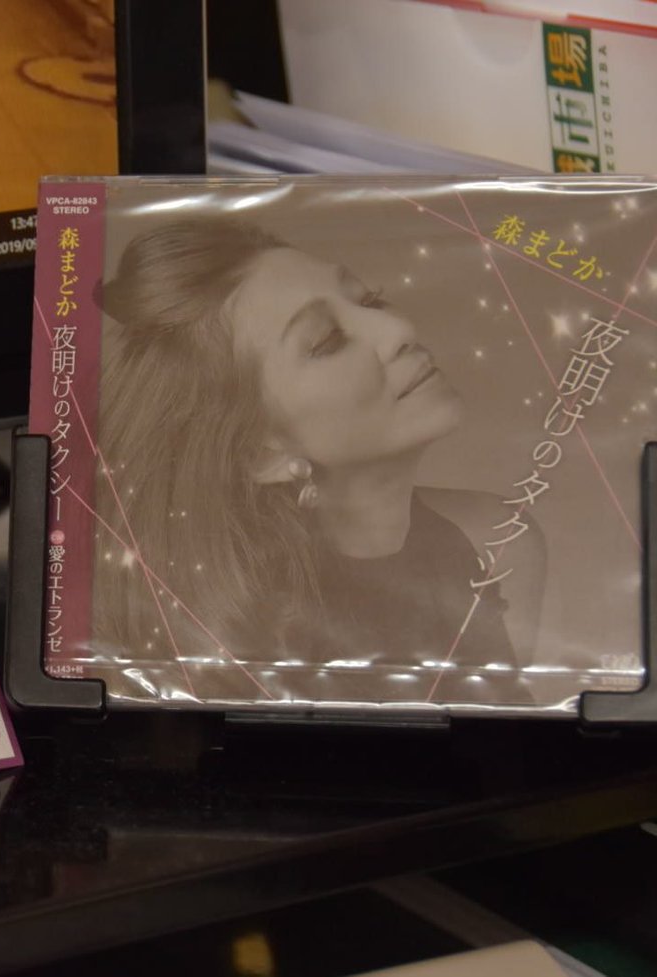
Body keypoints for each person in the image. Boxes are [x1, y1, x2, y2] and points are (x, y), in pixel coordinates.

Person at [88, 215, 545, 705]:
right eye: (326, 341)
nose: (399, 328)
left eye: (370, 299)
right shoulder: (244, 637)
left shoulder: (497, 541)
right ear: (260, 455)